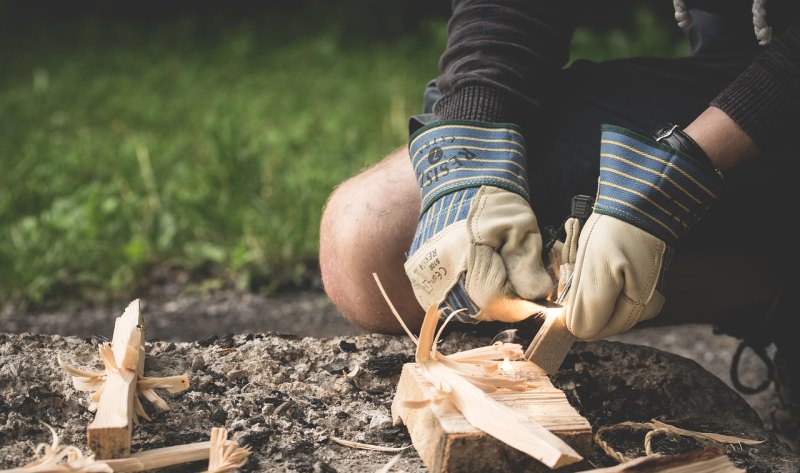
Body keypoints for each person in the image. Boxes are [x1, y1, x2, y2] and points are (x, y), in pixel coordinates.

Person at [319, 0, 799, 450]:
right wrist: (470, 148)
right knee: (371, 237)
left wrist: (680, 174)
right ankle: (770, 285)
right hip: (739, 69)